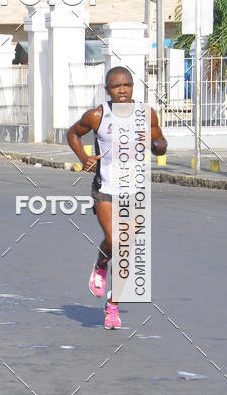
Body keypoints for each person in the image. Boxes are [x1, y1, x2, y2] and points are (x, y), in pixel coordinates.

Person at [67, 66, 167, 330]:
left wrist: (159, 146)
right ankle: (102, 262)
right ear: (107, 90)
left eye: (127, 85)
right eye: (116, 86)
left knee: (125, 249)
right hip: (105, 188)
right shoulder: (97, 115)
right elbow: (73, 133)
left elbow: (160, 143)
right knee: (116, 240)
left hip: (135, 191)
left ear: (132, 87)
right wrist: (83, 158)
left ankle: (113, 304)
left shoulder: (147, 114)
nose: (122, 91)